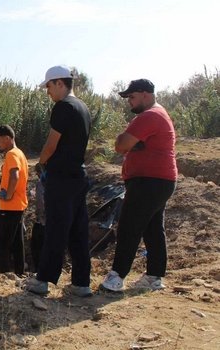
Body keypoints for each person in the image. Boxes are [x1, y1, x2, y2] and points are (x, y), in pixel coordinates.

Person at [100, 79, 177, 292]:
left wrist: (127, 142)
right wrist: (133, 144)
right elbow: (127, 145)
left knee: (128, 226)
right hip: (159, 181)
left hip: (149, 181)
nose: (129, 102)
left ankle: (116, 278)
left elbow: (121, 145)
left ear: (145, 94)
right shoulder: (159, 114)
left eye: (131, 97)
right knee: (152, 229)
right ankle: (154, 277)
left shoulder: (150, 116)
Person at [23, 65, 92, 297]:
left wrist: (41, 163)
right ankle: (82, 283)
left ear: (60, 83)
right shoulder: (82, 107)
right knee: (78, 231)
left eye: (49, 87)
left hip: (61, 179)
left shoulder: (63, 108)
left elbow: (52, 144)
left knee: (55, 230)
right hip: (78, 177)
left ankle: (42, 281)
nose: (48, 92)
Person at [0, 125, 28, 275]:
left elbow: (15, 176)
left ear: (7, 138)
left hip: (10, 206)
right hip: (17, 206)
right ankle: (19, 272)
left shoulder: (11, 154)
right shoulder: (20, 153)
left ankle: (4, 274)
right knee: (17, 243)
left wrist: (8, 195)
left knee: (3, 243)